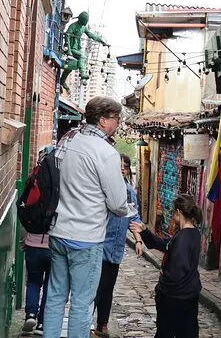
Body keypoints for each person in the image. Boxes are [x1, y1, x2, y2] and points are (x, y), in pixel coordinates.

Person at [43, 96, 132, 338]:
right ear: (102, 120)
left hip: (58, 231)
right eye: (116, 118)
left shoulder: (68, 140)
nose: (118, 123)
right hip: (86, 237)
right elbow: (118, 204)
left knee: (55, 297)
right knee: (82, 303)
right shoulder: (106, 153)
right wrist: (126, 209)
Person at [129, 194, 203, 338]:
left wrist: (162, 284)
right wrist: (145, 233)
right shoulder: (191, 233)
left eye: (173, 211)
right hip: (188, 295)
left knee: (166, 333)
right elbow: (165, 245)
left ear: (179, 212)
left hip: (175, 298)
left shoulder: (183, 239)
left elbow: (176, 272)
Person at [92, 155, 144, 337]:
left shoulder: (129, 191)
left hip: (115, 249)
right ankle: (85, 323)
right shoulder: (104, 188)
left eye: (126, 166)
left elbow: (133, 217)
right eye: (119, 165)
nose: (122, 168)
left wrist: (138, 239)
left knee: (107, 288)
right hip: (99, 244)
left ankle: (102, 325)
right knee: (95, 288)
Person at [20, 230, 50, 335]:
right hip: (53, 248)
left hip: (32, 246)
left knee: (33, 282)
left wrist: (23, 240)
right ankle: (41, 323)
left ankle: (31, 314)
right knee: (49, 286)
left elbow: (24, 224)